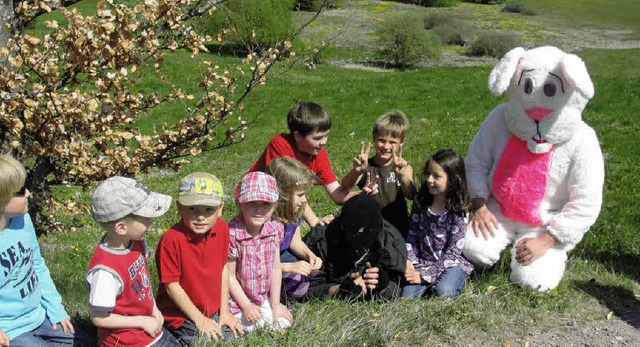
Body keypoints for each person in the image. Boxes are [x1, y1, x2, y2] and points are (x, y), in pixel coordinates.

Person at [0, 155, 94, 347]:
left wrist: (55, 308)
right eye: (19, 191)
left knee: (88, 343)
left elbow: (37, 264)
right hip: (10, 329)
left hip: (38, 315)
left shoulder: (22, 221)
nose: (28, 193)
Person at [87, 176, 179, 347]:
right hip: (126, 341)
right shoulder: (106, 271)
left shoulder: (135, 242)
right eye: (145, 217)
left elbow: (143, 283)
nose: (151, 221)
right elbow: (99, 318)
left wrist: (154, 309)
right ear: (121, 228)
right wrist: (142, 321)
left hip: (148, 329)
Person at [155, 172, 243, 345]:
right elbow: (172, 286)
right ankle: (169, 332)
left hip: (211, 308)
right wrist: (199, 319)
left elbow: (222, 268)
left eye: (208, 209)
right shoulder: (171, 238)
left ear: (220, 209)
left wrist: (224, 311)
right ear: (179, 207)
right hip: (180, 313)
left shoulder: (222, 228)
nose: (200, 216)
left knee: (234, 335)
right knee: (207, 342)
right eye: (192, 208)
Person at [249, 101, 365, 227]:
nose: (324, 142)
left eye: (326, 136)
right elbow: (289, 190)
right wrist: (314, 220)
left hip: (284, 204)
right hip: (254, 202)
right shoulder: (280, 145)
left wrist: (361, 190)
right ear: (298, 136)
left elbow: (337, 194)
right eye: (317, 138)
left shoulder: (319, 154)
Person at [302, 194, 407, 301]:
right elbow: (302, 289)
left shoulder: (391, 240)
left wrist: (382, 284)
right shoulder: (323, 240)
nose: (360, 233)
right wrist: (339, 291)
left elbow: (400, 283)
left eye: (365, 229)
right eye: (354, 230)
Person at [402, 149, 473, 299]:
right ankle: (430, 284)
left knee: (444, 291)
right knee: (406, 298)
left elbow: (453, 251)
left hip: (451, 263)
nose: (429, 179)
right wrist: (410, 262)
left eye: (436, 176)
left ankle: (447, 281)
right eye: (428, 174)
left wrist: (425, 276)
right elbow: (412, 236)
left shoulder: (459, 209)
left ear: (453, 179)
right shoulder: (421, 201)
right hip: (423, 262)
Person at [227, 172, 292, 332]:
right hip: (237, 299)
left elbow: (276, 268)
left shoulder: (274, 230)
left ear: (275, 205)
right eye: (252, 203)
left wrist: (275, 304)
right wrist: (246, 305)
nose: (259, 209)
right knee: (258, 324)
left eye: (265, 204)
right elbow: (228, 276)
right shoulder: (233, 233)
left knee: (282, 321)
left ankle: (269, 310)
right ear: (240, 204)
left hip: (261, 297)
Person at [341, 110, 416, 238]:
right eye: (381, 140)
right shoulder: (366, 166)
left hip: (398, 226)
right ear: (374, 139)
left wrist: (402, 176)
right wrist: (357, 171)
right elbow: (345, 187)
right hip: (371, 225)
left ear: (401, 144)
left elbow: (411, 195)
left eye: (392, 142)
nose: (386, 146)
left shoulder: (404, 168)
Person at [265, 157, 323, 304]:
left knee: (315, 270)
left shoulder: (292, 212)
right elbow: (257, 262)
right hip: (265, 265)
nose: (304, 200)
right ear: (282, 194)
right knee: (298, 283)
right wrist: (289, 267)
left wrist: (309, 255)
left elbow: (294, 241)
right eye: (300, 195)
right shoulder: (265, 220)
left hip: (282, 257)